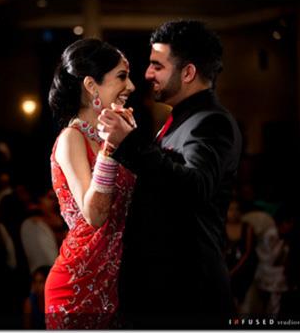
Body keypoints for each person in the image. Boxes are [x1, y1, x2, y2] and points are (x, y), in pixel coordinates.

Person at [98, 20, 242, 328]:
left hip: (188, 294)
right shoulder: (180, 120)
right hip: (164, 291)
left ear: (188, 72)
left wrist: (131, 143)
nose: (148, 74)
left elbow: (196, 186)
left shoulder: (212, 121)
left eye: (157, 66)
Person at [44, 38, 136, 329]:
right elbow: (94, 215)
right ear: (91, 86)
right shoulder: (72, 138)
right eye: (121, 77)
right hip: (78, 288)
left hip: (118, 284)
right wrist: (111, 149)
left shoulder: (110, 136)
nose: (131, 86)